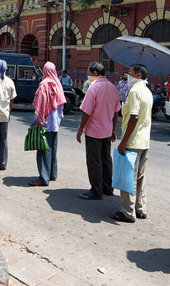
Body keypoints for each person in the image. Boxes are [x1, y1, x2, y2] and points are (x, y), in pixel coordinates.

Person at [111, 64, 153, 222]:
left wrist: (124, 141)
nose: (127, 76)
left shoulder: (135, 91)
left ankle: (128, 212)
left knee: (128, 176)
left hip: (134, 140)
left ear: (139, 75)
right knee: (140, 177)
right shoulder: (147, 91)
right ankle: (140, 208)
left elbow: (134, 117)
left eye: (130, 73)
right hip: (144, 141)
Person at [76, 62, 120, 200]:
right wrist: (113, 129)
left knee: (94, 161)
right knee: (106, 159)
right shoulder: (113, 88)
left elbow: (86, 111)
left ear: (95, 73)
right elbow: (116, 111)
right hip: (107, 130)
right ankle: (107, 187)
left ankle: (96, 191)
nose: (88, 76)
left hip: (94, 131)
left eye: (89, 73)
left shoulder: (93, 88)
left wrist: (80, 129)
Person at [29, 62, 66, 187]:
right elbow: (61, 106)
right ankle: (52, 174)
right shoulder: (58, 84)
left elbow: (40, 107)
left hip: (45, 123)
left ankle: (43, 178)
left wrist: (35, 122)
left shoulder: (44, 85)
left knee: (43, 150)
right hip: (55, 123)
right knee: (52, 149)